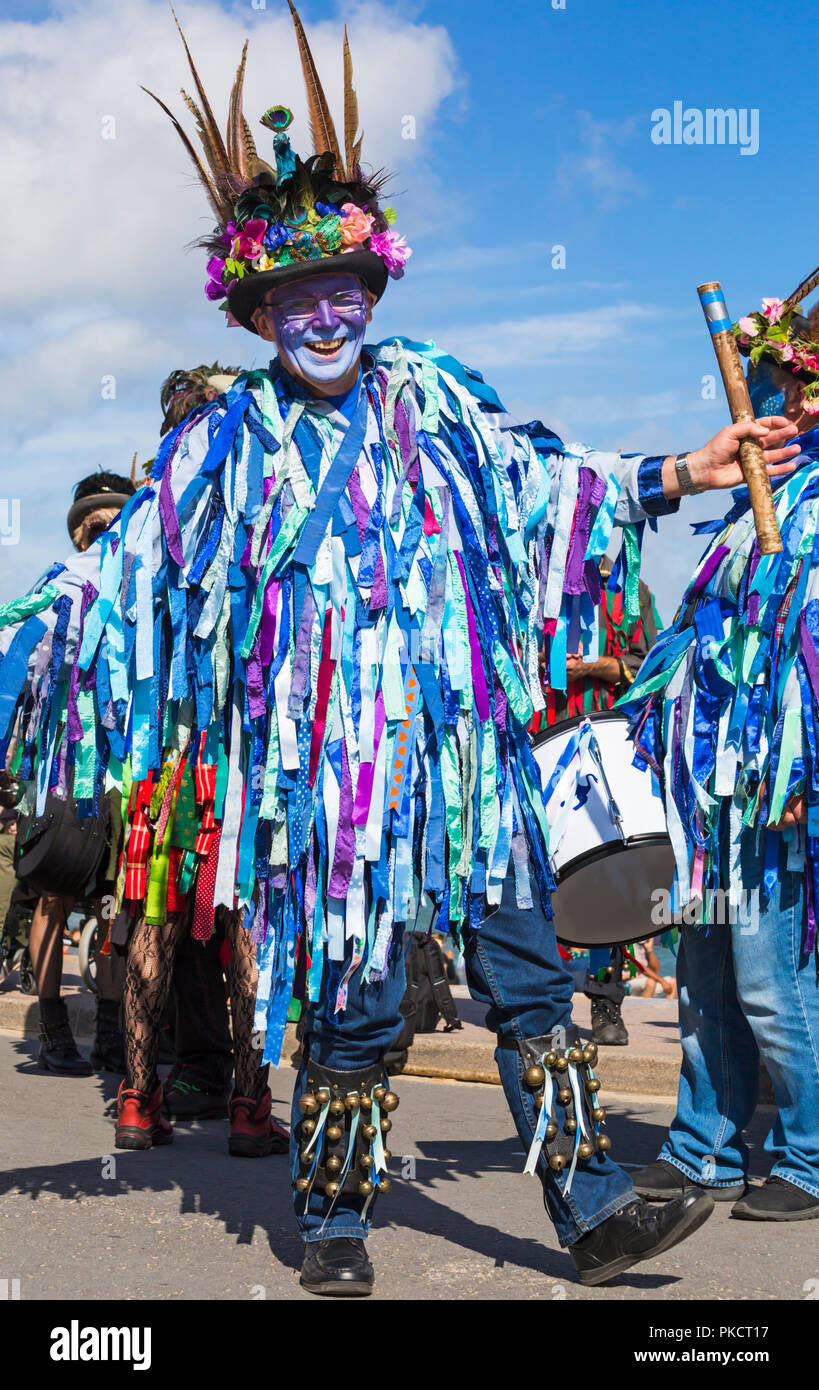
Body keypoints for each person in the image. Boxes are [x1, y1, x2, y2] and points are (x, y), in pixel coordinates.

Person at [0, 5, 801, 1291]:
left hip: (471, 772)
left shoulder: (430, 393)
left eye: (345, 289)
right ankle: (331, 1227)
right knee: (359, 1013)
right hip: (332, 793)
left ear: (374, 290)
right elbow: (127, 567)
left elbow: (549, 484)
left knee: (536, 987)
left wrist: (681, 469)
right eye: (299, 296)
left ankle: (591, 1213)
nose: (326, 315)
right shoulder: (224, 444)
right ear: (259, 315)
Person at [623, 284, 819, 1218]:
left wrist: (802, 765)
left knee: (771, 983)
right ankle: (700, 1140)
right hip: (710, 784)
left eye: (807, 383)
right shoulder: (751, 505)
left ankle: (805, 1156)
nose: (793, 401)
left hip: (784, 784)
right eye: (783, 380)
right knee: (702, 978)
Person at [530, 554, 662, 1046]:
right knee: (544, 872)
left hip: (607, 745)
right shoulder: (539, 578)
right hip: (544, 742)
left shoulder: (633, 590)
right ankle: (549, 1001)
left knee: (615, 872)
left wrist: (602, 666)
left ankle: (607, 1000)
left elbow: (652, 664)